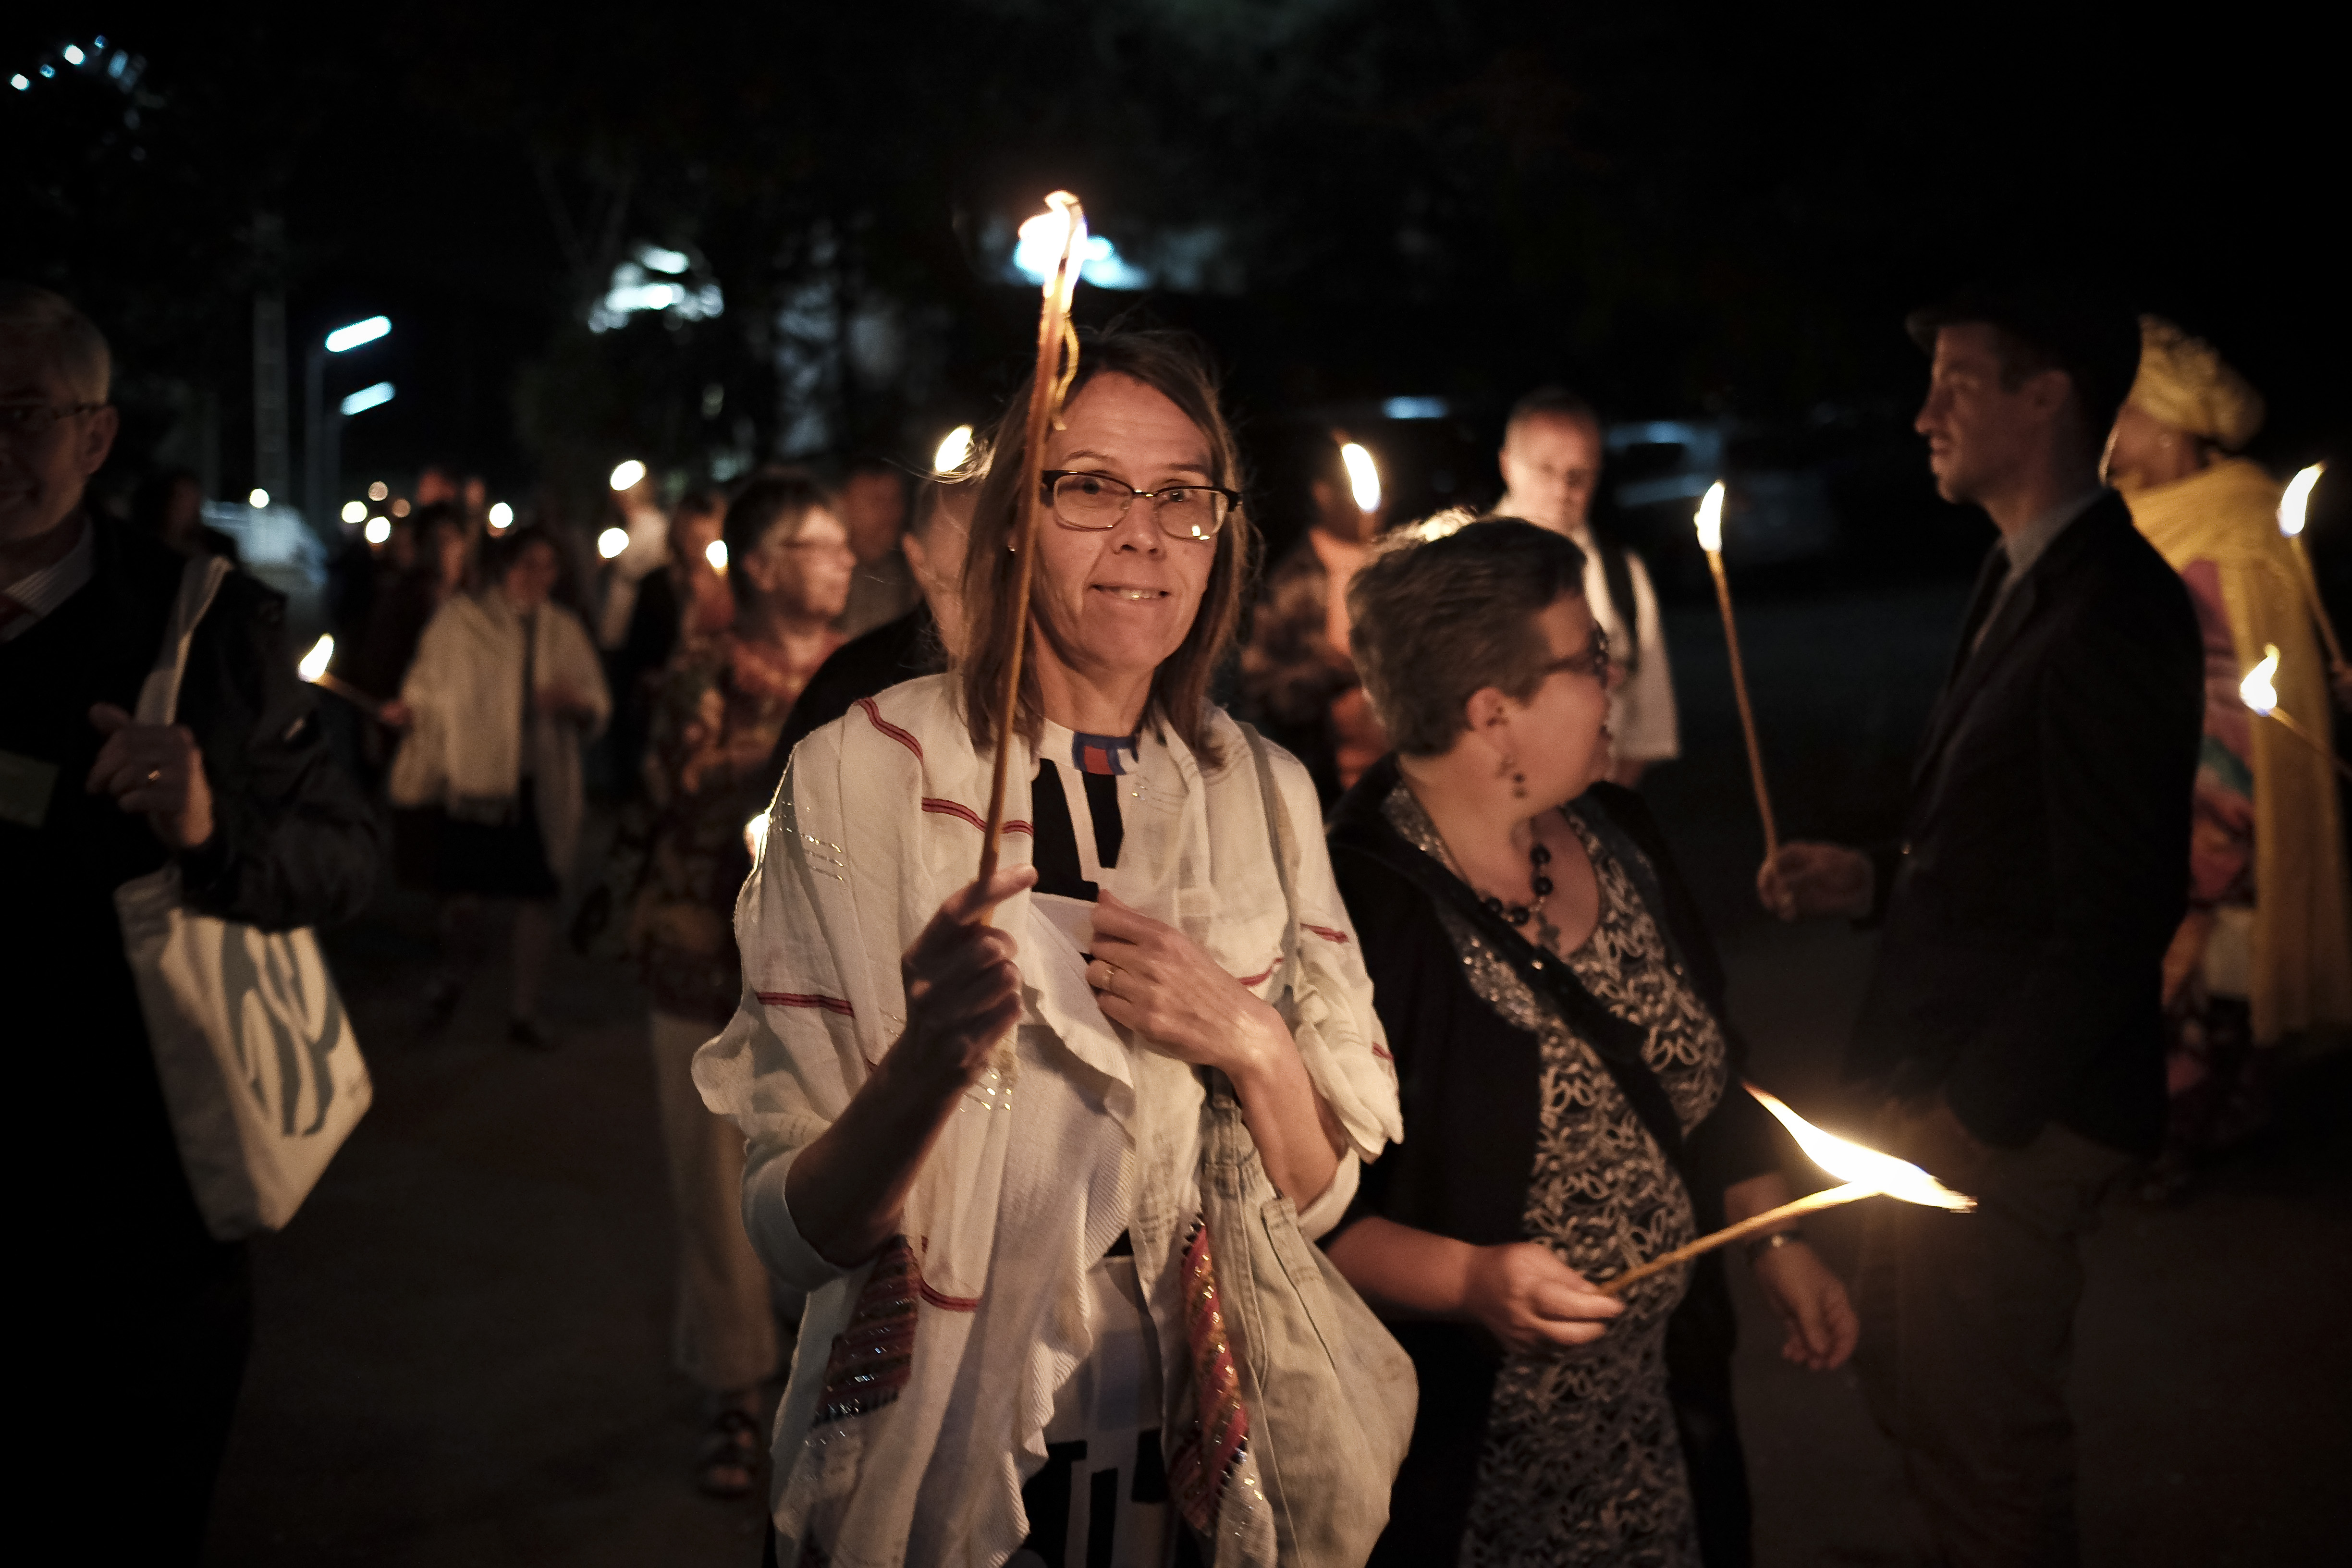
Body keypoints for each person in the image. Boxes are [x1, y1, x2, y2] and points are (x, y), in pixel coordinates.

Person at [693, 329, 1402, 1566]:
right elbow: (793, 1234)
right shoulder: (868, 772)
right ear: (1013, 520)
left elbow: (1324, 1197)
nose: (1143, 532)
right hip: (939, 1460)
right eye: (1092, 488)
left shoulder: (1266, 795)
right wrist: (930, 1062)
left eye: (1182, 495)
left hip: (1194, 1458)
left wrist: (1246, 1037)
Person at [1759, 285, 2201, 1567]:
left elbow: (2121, 911)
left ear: (2048, 392)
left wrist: (1973, 1118)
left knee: (1982, 1443)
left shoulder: (2114, 604)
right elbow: (2025, 856)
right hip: (1946, 1095)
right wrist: (1879, 883)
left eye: (1958, 383)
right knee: (1918, 1391)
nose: (1923, 415)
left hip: (2010, 1117)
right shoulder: (2024, 572)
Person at [1321, 517, 1855, 1566]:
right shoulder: (1351, 917)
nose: (1618, 678)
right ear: (1493, 715)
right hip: (1477, 1476)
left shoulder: (1619, 834)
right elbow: (1302, 1219)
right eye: (1589, 659)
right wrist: (1473, 1284)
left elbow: (1706, 1076)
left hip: (1664, 1427)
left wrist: (1773, 1235)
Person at [2, 283, 380, 1558]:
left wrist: (212, 830)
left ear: (97, 436)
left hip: (143, 1213)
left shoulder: (204, 629)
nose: (0, 448)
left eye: (25, 414)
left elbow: (347, 857)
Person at [624, 473, 852, 1495]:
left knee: (823, 1177)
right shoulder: (703, 672)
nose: (844, 560)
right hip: (701, 966)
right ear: (762, 568)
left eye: (845, 544)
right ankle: (733, 1393)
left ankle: (822, 1377)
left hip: (823, 974)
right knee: (712, 1190)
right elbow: (680, 791)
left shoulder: (863, 677)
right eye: (819, 545)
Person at [2104, 316, 2352, 1196]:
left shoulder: (2235, 523)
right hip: (2154, 793)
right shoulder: (2134, 520)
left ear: (2168, 420)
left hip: (2212, 801)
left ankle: (2186, 1139)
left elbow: (2238, 689)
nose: (2108, 426)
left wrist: (2213, 821)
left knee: (2199, 979)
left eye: (2123, 409)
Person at [383, 525, 611, 1048]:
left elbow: (594, 700)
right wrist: (411, 709)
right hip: (478, 780)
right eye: (527, 563)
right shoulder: (463, 621)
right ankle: (452, 976)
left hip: (538, 782)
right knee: (466, 898)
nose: (537, 576)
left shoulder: (563, 629)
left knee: (537, 895)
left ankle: (523, 1011)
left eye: (548, 566)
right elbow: (428, 682)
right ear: (504, 566)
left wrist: (573, 704)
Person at [1493, 387, 1677, 787]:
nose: (1563, 491)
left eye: (1579, 476)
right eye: (1546, 470)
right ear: (1508, 465)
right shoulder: (1455, 567)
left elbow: (1647, 727)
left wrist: (1601, 825)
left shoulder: (1621, 574)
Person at [1238, 432, 1392, 803]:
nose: (1372, 505)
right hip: (1317, 774)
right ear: (1323, 495)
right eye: (1352, 492)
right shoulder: (1291, 581)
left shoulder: (1393, 568)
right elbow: (1260, 688)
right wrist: (1331, 674)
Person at [833, 455, 919, 638]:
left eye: (895, 500)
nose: (891, 513)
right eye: (877, 501)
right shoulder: (825, 574)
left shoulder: (914, 573)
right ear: (843, 504)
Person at [130, 468, 241, 563]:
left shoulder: (220, 546)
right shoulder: (144, 545)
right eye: (181, 498)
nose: (188, 505)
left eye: (193, 499)